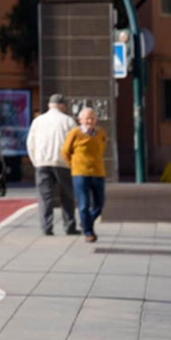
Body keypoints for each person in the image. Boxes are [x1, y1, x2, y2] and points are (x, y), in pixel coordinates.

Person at [26, 93, 79, 236]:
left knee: (45, 196)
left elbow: (30, 143)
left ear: (50, 105)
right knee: (67, 196)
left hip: (42, 163)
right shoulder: (68, 121)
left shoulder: (38, 121)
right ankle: (69, 226)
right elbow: (75, 144)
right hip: (63, 163)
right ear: (62, 105)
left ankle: (46, 227)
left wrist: (35, 161)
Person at [62, 106, 108, 243]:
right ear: (80, 120)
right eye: (87, 118)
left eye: (93, 118)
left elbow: (102, 149)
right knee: (84, 204)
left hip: (98, 172)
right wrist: (74, 164)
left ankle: (86, 222)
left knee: (99, 205)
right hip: (80, 173)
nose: (90, 121)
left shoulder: (101, 133)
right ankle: (89, 232)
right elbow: (65, 151)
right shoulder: (75, 133)